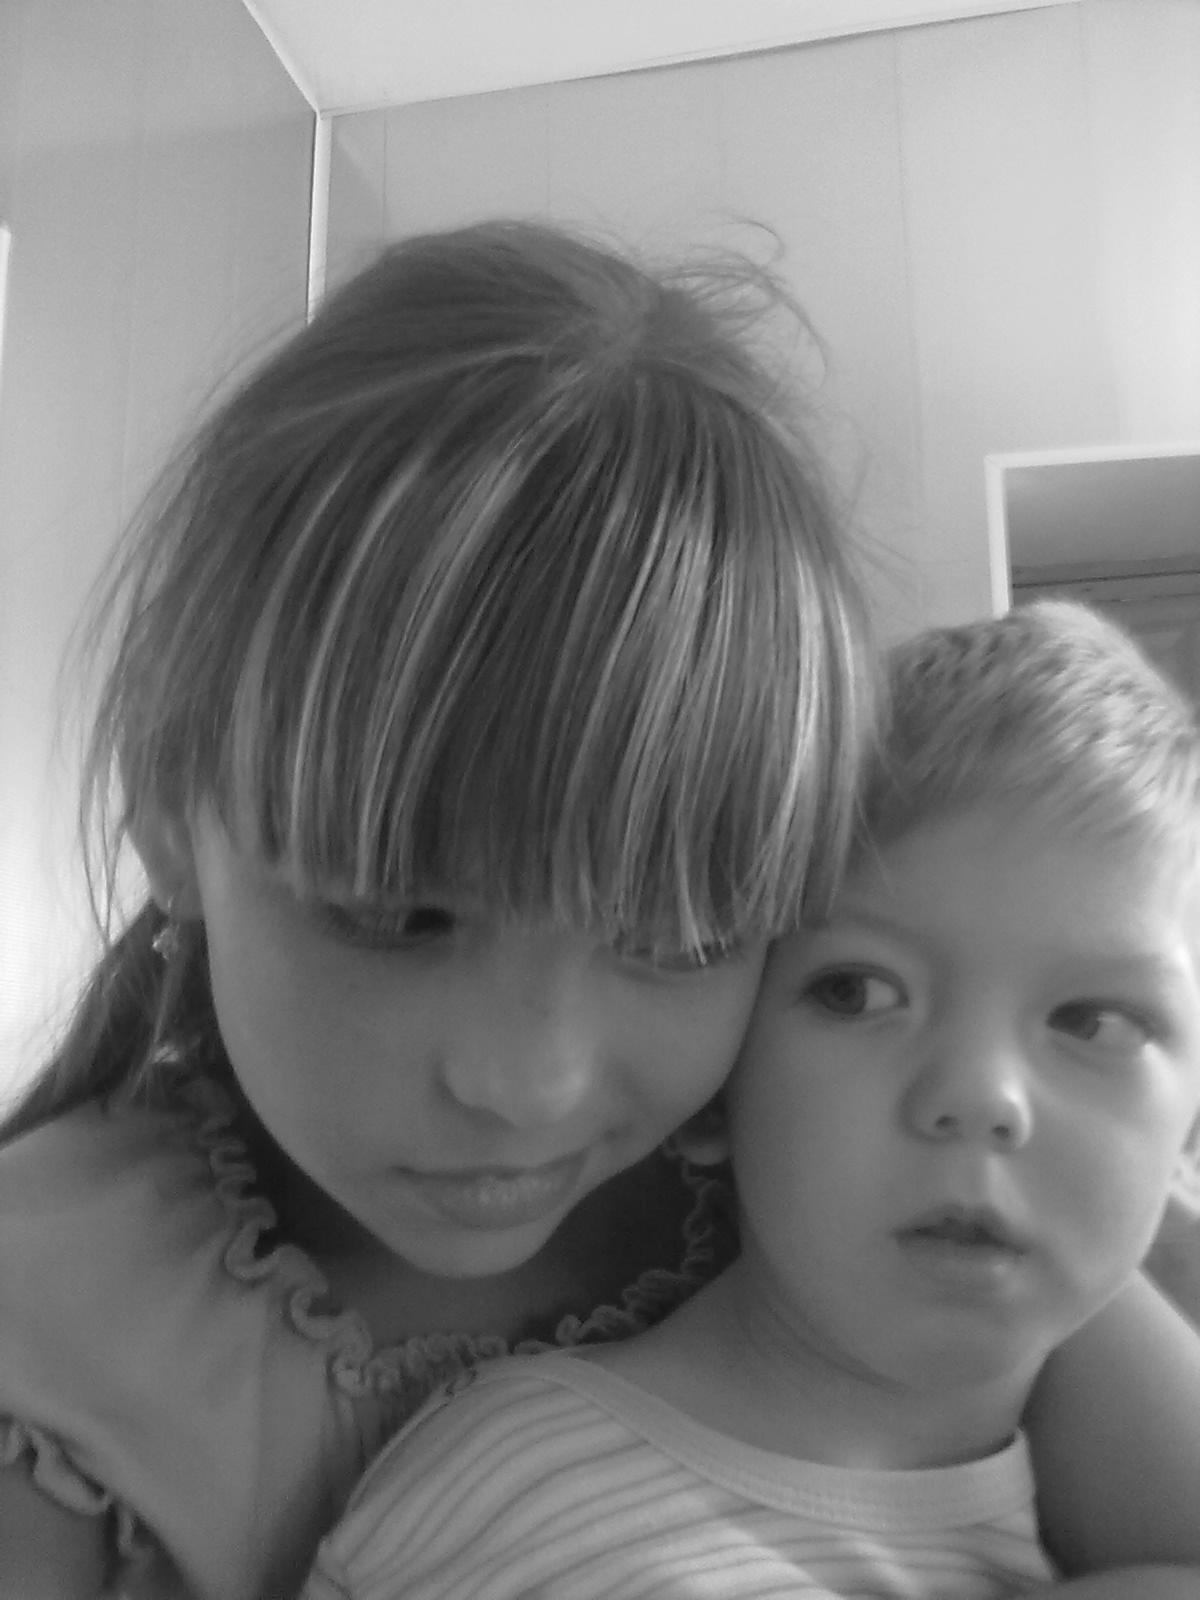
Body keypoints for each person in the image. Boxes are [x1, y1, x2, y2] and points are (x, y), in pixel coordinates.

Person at [0, 219, 875, 1600]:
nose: (527, 1085)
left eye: (675, 939)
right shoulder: (45, 1331)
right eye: (400, 916)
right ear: (173, 810)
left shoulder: (851, 1207)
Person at [304, 600, 1200, 1600]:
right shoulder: (543, 1505)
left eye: (1094, 1022)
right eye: (857, 992)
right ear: (717, 1087)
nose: (982, 1097)